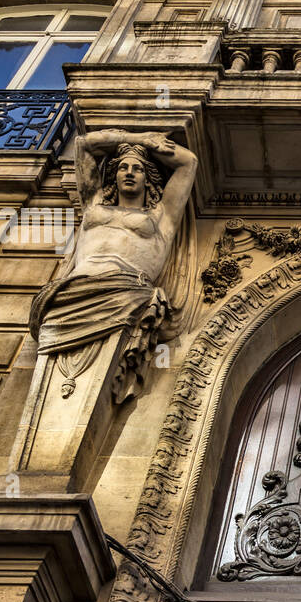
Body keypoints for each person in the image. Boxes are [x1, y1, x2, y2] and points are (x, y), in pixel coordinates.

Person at [29, 130, 197, 403]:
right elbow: (83, 144)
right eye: (122, 167)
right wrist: (140, 138)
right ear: (115, 175)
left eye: (138, 169)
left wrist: (154, 145)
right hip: (73, 290)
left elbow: (187, 162)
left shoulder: (162, 216)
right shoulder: (93, 204)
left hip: (124, 293)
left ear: (148, 177)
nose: (129, 173)